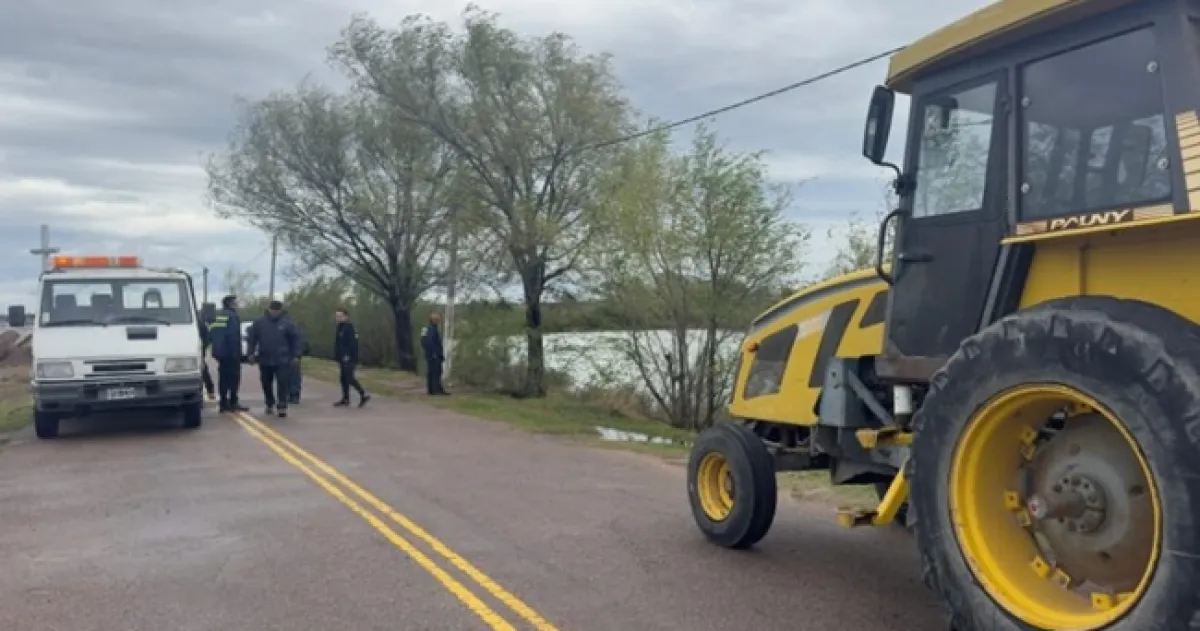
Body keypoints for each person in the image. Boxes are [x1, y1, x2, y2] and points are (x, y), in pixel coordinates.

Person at [246, 300, 300, 418]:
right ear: (269, 309)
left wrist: (296, 355)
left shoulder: (287, 323)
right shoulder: (260, 322)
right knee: (266, 382)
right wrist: (250, 353)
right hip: (265, 357)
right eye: (273, 310)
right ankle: (269, 402)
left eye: (277, 310)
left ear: (280, 310)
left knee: (282, 382)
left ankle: (282, 405)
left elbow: (295, 340)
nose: (275, 312)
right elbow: (252, 339)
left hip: (283, 358)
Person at [208, 295, 248, 412]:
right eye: (235, 303)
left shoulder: (218, 316)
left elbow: (211, 334)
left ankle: (223, 403)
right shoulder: (233, 316)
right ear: (230, 304)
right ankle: (233, 402)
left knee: (223, 378)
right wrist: (237, 353)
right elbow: (233, 336)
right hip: (231, 353)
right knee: (234, 377)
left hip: (220, 353)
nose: (237, 305)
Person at [333, 308, 370, 407]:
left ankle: (363, 394)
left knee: (349, 378)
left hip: (349, 358)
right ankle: (345, 398)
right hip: (341, 358)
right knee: (343, 378)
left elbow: (352, 344)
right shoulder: (340, 328)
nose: (338, 318)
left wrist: (347, 355)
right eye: (336, 316)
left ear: (346, 316)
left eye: (340, 316)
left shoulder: (349, 328)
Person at [421, 312, 449, 396]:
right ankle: (436, 390)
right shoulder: (432, 329)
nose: (438, 321)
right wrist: (434, 353)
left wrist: (427, 352)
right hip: (434, 354)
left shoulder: (425, 328)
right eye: (437, 320)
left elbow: (422, 341)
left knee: (431, 372)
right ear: (434, 320)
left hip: (429, 354)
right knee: (436, 372)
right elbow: (430, 342)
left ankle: (432, 390)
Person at [287, 312, 309, 405]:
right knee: (287, 376)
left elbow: (300, 343)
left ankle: (294, 395)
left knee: (294, 376)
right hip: (285, 355)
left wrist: (297, 355)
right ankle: (290, 395)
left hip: (293, 355)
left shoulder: (295, 330)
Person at [198, 312, 216, 401]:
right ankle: (210, 391)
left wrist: (202, 349)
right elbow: (207, 339)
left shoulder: (200, 325)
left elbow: (206, 339)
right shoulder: (201, 324)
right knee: (204, 372)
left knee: (204, 372)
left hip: (197, 351)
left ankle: (210, 390)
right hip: (198, 351)